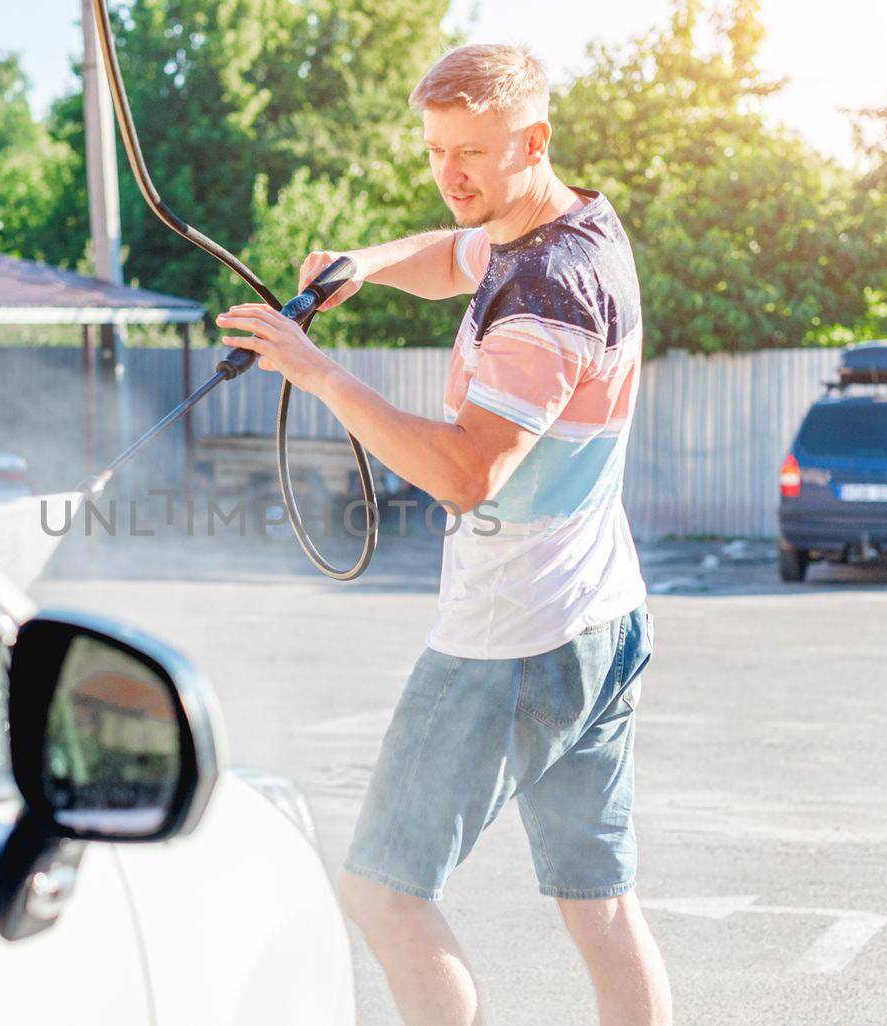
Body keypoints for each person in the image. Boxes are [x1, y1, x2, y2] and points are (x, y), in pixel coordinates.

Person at [214, 42, 671, 1026]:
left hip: (514, 642)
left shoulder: (547, 299)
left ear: (532, 140)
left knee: (382, 890)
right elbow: (457, 254)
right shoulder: (561, 224)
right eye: (433, 151)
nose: (448, 172)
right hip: (601, 619)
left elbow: (467, 473)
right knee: (600, 906)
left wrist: (317, 370)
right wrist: (363, 269)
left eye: (468, 151)